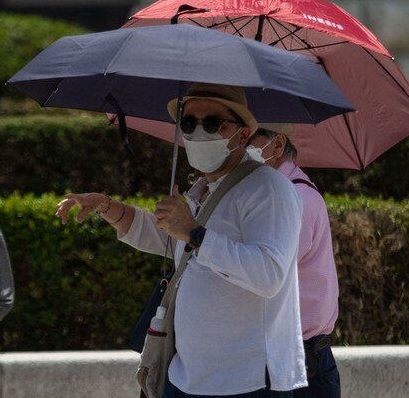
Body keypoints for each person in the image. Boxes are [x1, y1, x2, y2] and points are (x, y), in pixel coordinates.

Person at [56, 83, 307, 397]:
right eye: (189, 124)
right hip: (187, 376)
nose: (199, 133)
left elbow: (268, 275)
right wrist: (108, 207)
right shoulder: (202, 188)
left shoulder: (268, 188)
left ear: (243, 135)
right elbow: (166, 238)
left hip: (246, 381)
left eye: (213, 123)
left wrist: (194, 233)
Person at [247, 124, 341, 398]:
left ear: (277, 146)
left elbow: (263, 273)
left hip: (301, 362)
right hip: (293, 356)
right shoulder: (284, 193)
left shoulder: (295, 198)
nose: (242, 146)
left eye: (251, 138)